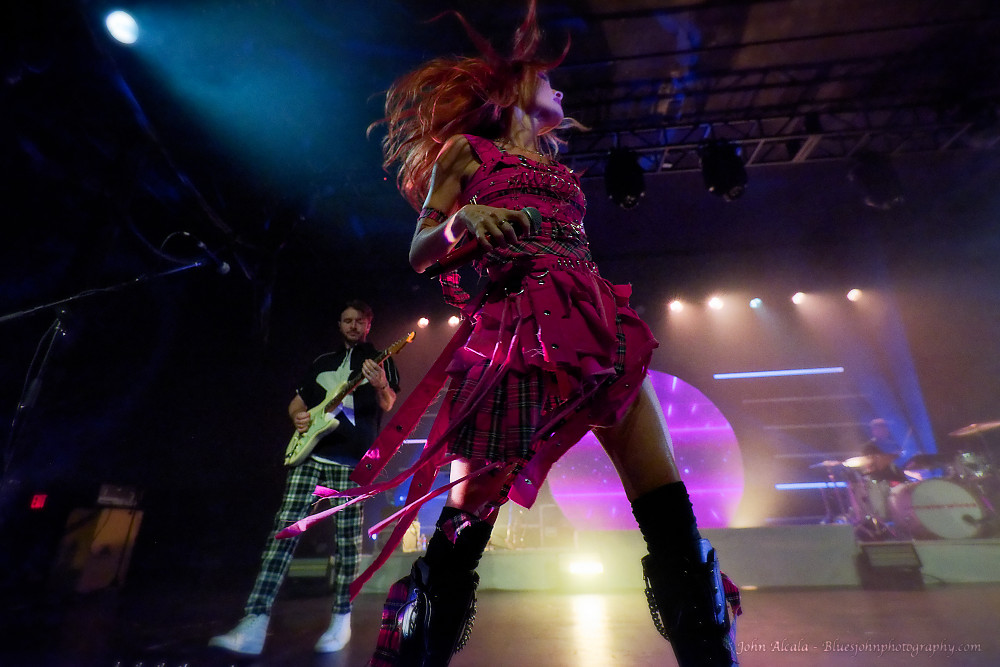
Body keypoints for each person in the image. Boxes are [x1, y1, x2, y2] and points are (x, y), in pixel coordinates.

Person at [284, 5, 739, 665]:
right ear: (513, 89)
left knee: (675, 526)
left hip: (598, 329)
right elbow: (418, 251)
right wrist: (462, 219)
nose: (560, 89)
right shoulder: (467, 153)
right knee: (463, 533)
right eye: (548, 78)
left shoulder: (559, 167)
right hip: (516, 340)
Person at [209, 300, 400, 656]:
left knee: (347, 543)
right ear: (339, 324)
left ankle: (341, 618)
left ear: (369, 325)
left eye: (359, 321)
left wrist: (381, 384)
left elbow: (388, 403)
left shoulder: (381, 359)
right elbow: (296, 404)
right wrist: (298, 417)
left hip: (352, 462)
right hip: (311, 454)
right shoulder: (321, 362)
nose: (353, 326)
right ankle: (255, 621)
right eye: (347, 320)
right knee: (284, 531)